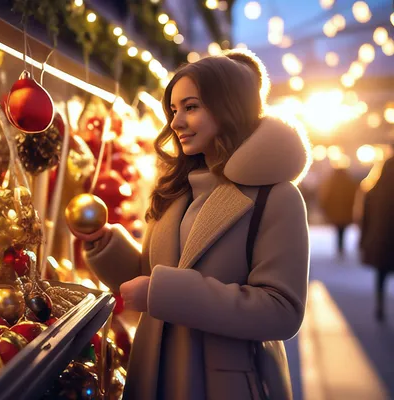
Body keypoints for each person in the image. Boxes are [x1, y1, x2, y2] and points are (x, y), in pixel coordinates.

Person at [68, 50, 311, 400]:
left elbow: (281, 312)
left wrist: (163, 293)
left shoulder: (276, 197)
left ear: (228, 108)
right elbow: (148, 275)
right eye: (174, 110)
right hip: (154, 375)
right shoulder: (176, 189)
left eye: (191, 107)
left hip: (223, 385)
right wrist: (104, 242)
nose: (176, 122)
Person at [360, 151, 394, 322]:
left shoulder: (374, 190)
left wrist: (364, 240)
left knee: (381, 274)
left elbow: (364, 218)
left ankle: (380, 304)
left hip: (383, 241)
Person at [318, 167, 358, 257]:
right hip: (346, 213)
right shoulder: (349, 183)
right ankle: (341, 246)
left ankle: (339, 247)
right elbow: (354, 197)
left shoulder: (331, 184)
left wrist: (325, 209)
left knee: (338, 230)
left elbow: (326, 198)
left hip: (335, 213)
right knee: (342, 230)